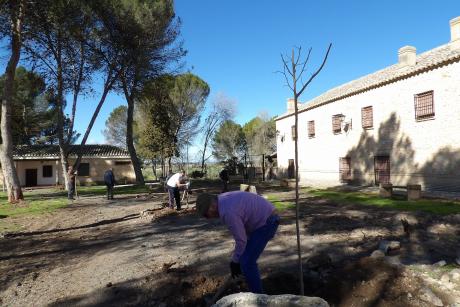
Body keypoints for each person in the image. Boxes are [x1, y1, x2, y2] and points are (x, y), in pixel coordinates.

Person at [196, 191, 280, 293]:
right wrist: (237, 259)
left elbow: (241, 240)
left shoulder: (228, 212)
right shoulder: (222, 200)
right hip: (263, 218)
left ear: (212, 206)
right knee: (244, 258)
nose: (208, 218)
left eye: (206, 215)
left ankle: (258, 298)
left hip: (267, 222)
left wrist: (235, 261)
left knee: (247, 262)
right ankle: (248, 281)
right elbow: (242, 232)